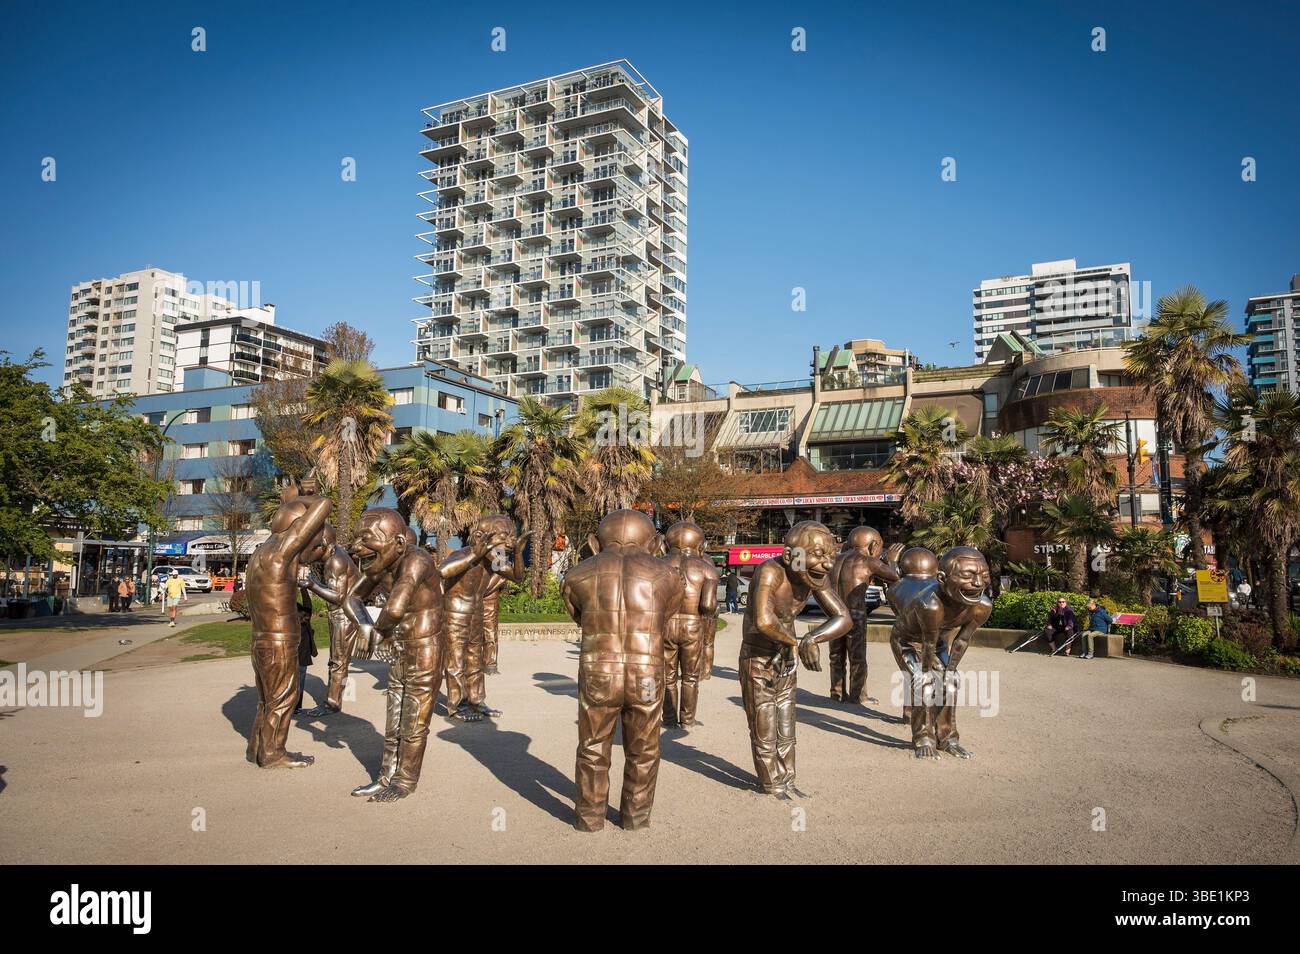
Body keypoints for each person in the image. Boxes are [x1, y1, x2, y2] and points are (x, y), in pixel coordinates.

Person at [295, 587, 318, 713]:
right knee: (300, 682)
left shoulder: (289, 623)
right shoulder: (305, 622)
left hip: (290, 657)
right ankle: (297, 706)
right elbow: (308, 605)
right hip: (302, 658)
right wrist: (303, 588)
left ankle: (290, 706)